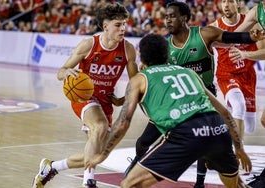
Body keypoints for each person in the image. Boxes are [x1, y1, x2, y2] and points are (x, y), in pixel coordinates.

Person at [124, 2, 264, 187]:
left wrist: (250, 37)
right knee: (143, 141)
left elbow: (230, 36)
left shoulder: (204, 34)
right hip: (177, 101)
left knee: (205, 142)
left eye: (172, 16)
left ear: (184, 18)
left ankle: (199, 183)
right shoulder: (166, 48)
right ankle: (137, 161)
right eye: (166, 16)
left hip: (204, 98)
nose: (167, 19)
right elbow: (155, 76)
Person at [85, 33, 252, 188]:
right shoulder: (189, 72)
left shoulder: (139, 79)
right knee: (236, 184)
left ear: (142, 58)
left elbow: (123, 123)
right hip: (218, 129)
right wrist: (239, 148)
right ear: (167, 54)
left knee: (130, 183)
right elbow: (225, 113)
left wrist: (103, 154)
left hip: (186, 133)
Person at [32, 2, 138, 188]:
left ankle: (51, 167)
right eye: (118, 25)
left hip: (105, 101)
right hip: (84, 97)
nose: (123, 29)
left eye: (124, 24)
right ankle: (88, 181)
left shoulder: (128, 49)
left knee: (97, 152)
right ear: (105, 26)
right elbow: (61, 71)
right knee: (99, 125)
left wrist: (123, 99)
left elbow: (136, 81)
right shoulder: (89, 45)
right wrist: (66, 73)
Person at [211, 0, 265, 140]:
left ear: (239, 4)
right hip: (227, 74)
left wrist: (245, 53)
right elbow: (232, 36)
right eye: (223, 2)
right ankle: (236, 150)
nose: (226, 5)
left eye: (230, 1)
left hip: (247, 75)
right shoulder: (255, 13)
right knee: (238, 106)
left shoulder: (254, 20)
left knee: (252, 126)